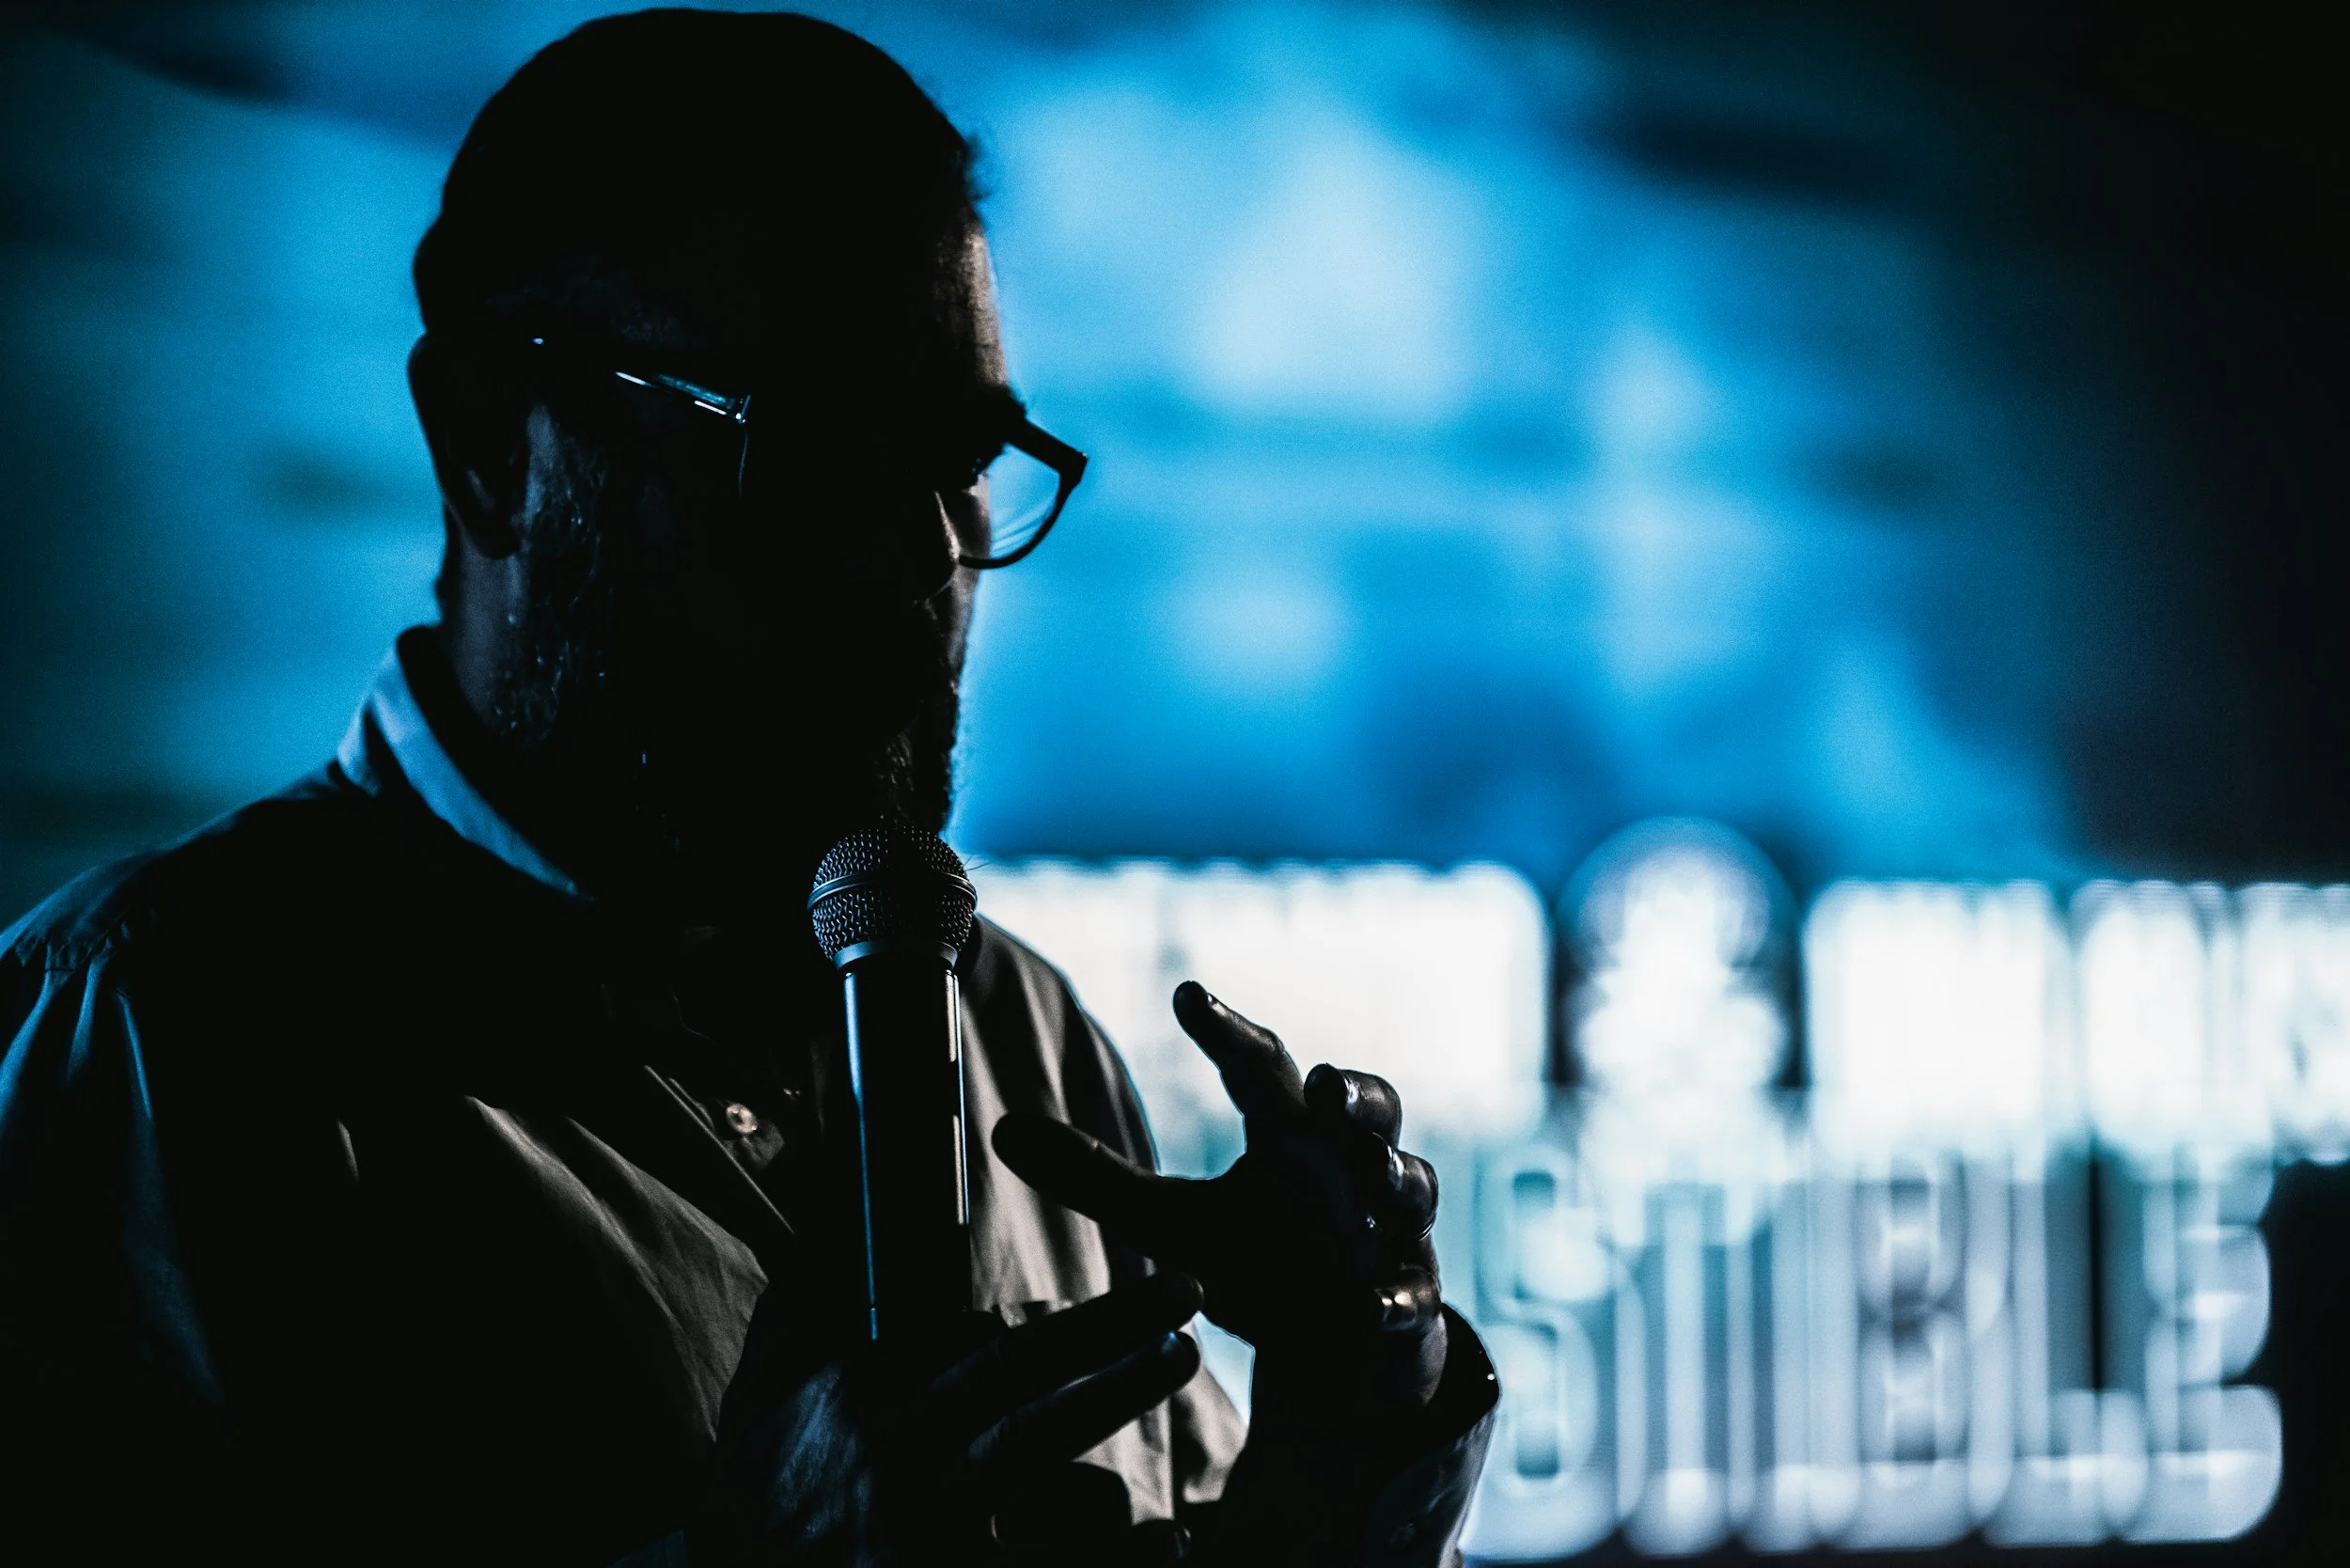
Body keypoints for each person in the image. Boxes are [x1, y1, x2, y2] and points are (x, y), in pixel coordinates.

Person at [0, 11, 1496, 1564]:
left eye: (964, 457)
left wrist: (1354, 1411)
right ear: (491, 447)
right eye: (823, 446)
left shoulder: (1025, 1048)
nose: (926, 555)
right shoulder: (157, 1055)